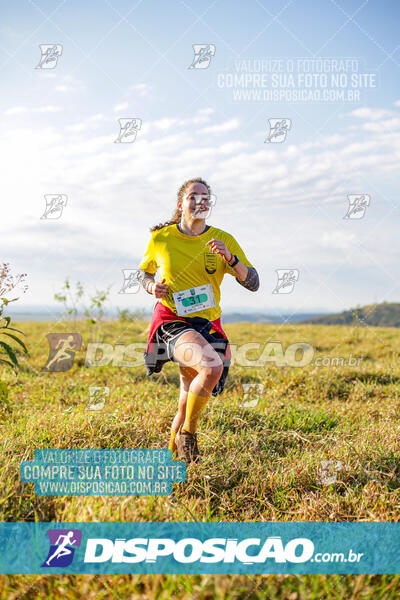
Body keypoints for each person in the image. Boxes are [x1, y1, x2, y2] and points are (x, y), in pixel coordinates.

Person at [137, 177, 259, 463]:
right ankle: (188, 436)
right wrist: (151, 287)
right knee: (211, 367)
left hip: (208, 325)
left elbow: (253, 282)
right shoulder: (162, 239)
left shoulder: (223, 240)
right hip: (172, 320)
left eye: (206, 197)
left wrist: (231, 259)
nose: (200, 201)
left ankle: (174, 466)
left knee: (185, 401)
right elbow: (143, 274)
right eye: (194, 196)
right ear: (181, 204)